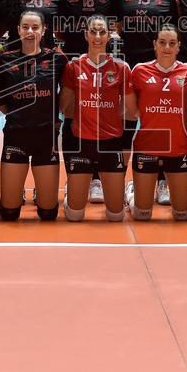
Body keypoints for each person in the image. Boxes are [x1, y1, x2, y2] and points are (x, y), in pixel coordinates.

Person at [56, 0, 119, 203]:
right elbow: (59, 29)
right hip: (74, 64)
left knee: (102, 115)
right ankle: (76, 175)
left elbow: (116, 26)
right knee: (71, 117)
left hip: (102, 63)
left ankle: (96, 178)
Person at [59, 15, 136, 221]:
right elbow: (64, 107)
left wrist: (109, 115)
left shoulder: (121, 68)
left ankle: (128, 190)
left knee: (116, 216)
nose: (98, 36)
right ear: (86, 34)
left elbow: (131, 110)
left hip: (110, 144)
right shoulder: (73, 67)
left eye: (102, 32)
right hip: (82, 142)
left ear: (109, 36)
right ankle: (72, 192)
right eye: (93, 31)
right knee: (75, 215)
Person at [116, 0, 178, 205]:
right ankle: (117, 181)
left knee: (160, 126)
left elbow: (172, 33)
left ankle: (163, 181)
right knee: (126, 127)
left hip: (160, 68)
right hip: (131, 67)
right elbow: (117, 26)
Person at [0, 10, 67, 221]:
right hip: (16, 136)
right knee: (9, 213)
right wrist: (17, 115)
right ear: (18, 31)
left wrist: (55, 115)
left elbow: (68, 92)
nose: (30, 31)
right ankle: (14, 191)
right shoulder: (6, 60)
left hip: (46, 138)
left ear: (44, 30)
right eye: (25, 27)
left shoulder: (56, 59)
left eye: (35, 27)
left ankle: (42, 192)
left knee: (48, 213)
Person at [126, 25, 187, 221]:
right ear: (155, 45)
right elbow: (131, 109)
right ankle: (131, 194)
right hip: (147, 146)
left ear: (178, 47)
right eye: (162, 42)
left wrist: (183, 121)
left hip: (178, 148)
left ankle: (174, 194)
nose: (167, 47)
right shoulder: (139, 70)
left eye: (172, 43)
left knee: (182, 215)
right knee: (142, 215)